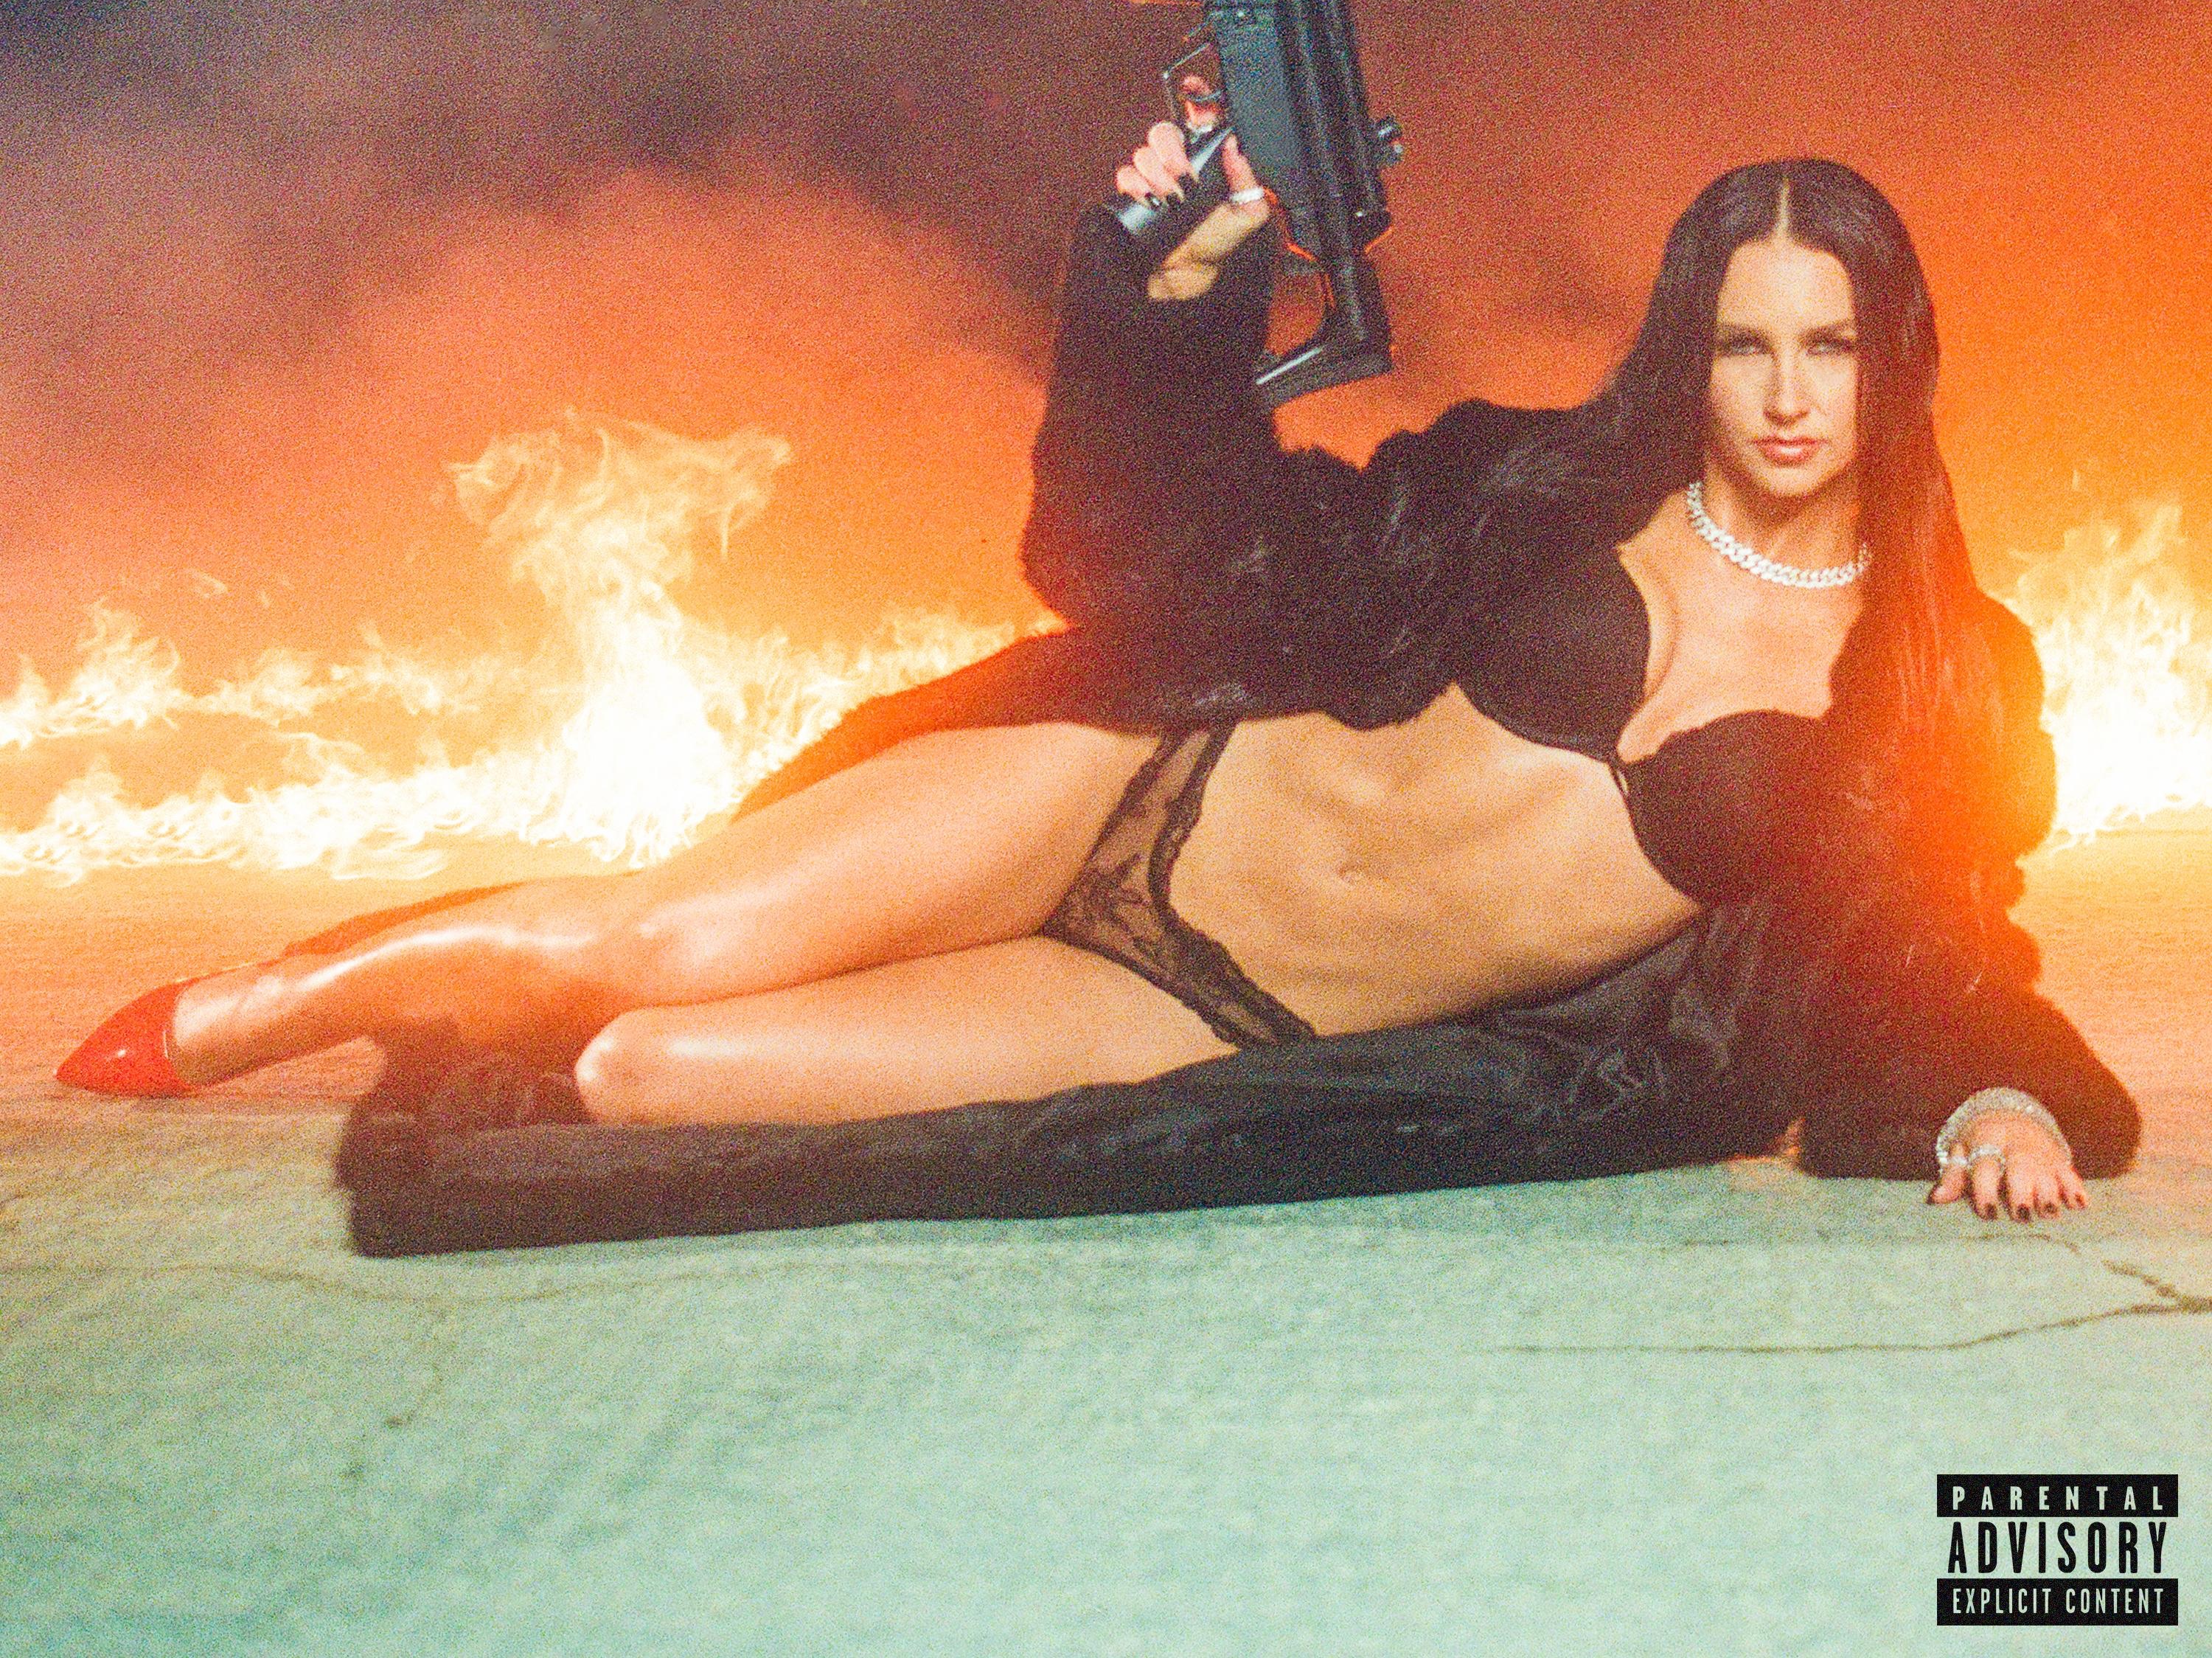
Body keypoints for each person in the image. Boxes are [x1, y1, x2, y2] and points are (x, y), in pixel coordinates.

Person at [58, 128, 2133, 1228]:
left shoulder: (1938, 680)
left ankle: (483, 1007)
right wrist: (1174, 287)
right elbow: (1211, 550)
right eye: (1748, 341)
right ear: (1695, 341)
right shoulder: (1537, 487)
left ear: (1893, 357)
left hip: (1202, 1007)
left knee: (639, 1083)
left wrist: (1987, 1094)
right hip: (1129, 792)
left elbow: (1933, 939)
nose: (1786, 393)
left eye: (1829, 344)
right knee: (660, 941)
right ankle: (265, 1005)